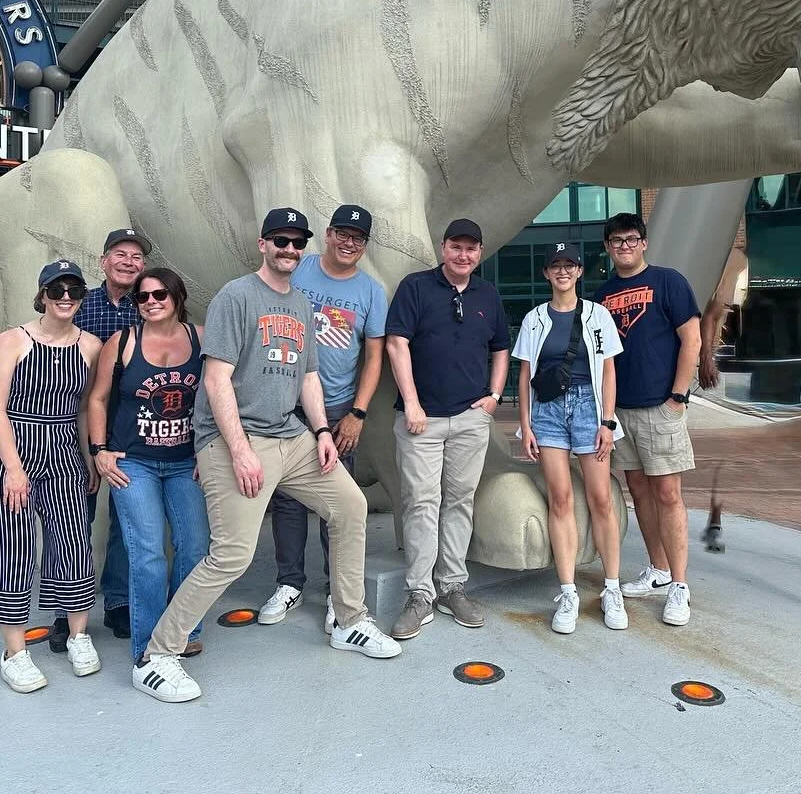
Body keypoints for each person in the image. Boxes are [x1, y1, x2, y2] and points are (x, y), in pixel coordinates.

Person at [134, 209, 399, 705]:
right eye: (281, 240)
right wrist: (238, 451)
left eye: (297, 242)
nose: (290, 249)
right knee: (232, 553)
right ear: (263, 244)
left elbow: (310, 378)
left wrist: (321, 430)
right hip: (235, 439)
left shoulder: (300, 302)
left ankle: (349, 620)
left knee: (350, 506)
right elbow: (216, 378)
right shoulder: (237, 296)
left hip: (291, 434)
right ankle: (158, 655)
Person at [0, 260, 103, 694]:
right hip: (16, 443)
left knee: (72, 539)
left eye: (74, 290)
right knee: (9, 546)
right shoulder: (13, 340)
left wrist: (87, 457)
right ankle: (14, 651)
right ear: (42, 293)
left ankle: (77, 634)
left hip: (65, 442)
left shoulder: (90, 345)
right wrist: (13, 467)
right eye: (57, 289)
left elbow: (85, 407)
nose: (65, 297)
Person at [259, 205, 388, 632]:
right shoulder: (298, 269)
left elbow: (374, 358)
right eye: (343, 233)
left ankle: (339, 592)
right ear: (329, 234)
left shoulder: (371, 291)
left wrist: (357, 413)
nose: (349, 243)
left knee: (339, 502)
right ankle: (289, 583)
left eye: (358, 238)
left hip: (337, 410)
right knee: (288, 500)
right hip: (284, 405)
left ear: (364, 245)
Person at [385, 218, 511, 641]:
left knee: (459, 501)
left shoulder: (488, 295)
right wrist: (414, 402)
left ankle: (452, 587)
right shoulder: (416, 288)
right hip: (421, 420)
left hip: (470, 419)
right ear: (443, 248)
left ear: (479, 252)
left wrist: (494, 395)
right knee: (421, 502)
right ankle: (420, 595)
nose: (463, 255)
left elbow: (500, 348)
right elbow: (396, 343)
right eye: (456, 247)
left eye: (471, 248)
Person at [85, 268, 210, 668]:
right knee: (147, 553)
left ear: (177, 296)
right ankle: (149, 645)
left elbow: (222, 392)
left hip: (185, 461)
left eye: (160, 295)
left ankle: (183, 630)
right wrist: (100, 450)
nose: (152, 302)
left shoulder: (200, 337)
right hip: (133, 461)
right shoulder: (122, 342)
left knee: (195, 547)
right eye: (143, 297)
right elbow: (99, 399)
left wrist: (212, 451)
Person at [593, 212, 702, 628]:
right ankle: (658, 570)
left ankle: (679, 584)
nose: (624, 245)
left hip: (660, 406)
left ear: (644, 243)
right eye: (617, 240)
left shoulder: (668, 281)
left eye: (631, 239)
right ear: (608, 247)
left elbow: (691, 339)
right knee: (638, 490)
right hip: (619, 411)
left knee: (668, 493)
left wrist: (678, 396)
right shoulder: (601, 295)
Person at [514, 242, 627, 633]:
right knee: (559, 498)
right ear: (546, 273)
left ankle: (612, 588)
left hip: (588, 409)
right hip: (547, 411)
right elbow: (525, 375)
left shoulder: (598, 316)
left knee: (600, 498)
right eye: (555, 266)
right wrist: (525, 425)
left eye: (570, 265)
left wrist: (607, 422)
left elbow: (609, 370)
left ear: (580, 271)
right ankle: (568, 590)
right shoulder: (533, 319)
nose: (562, 271)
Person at [53, 226, 147, 650]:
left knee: (128, 521)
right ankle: (65, 610)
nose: (129, 262)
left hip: (129, 427)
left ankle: (119, 602)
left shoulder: (148, 303)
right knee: (73, 521)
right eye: (121, 254)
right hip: (74, 424)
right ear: (104, 261)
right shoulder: (78, 303)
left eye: (136, 257)